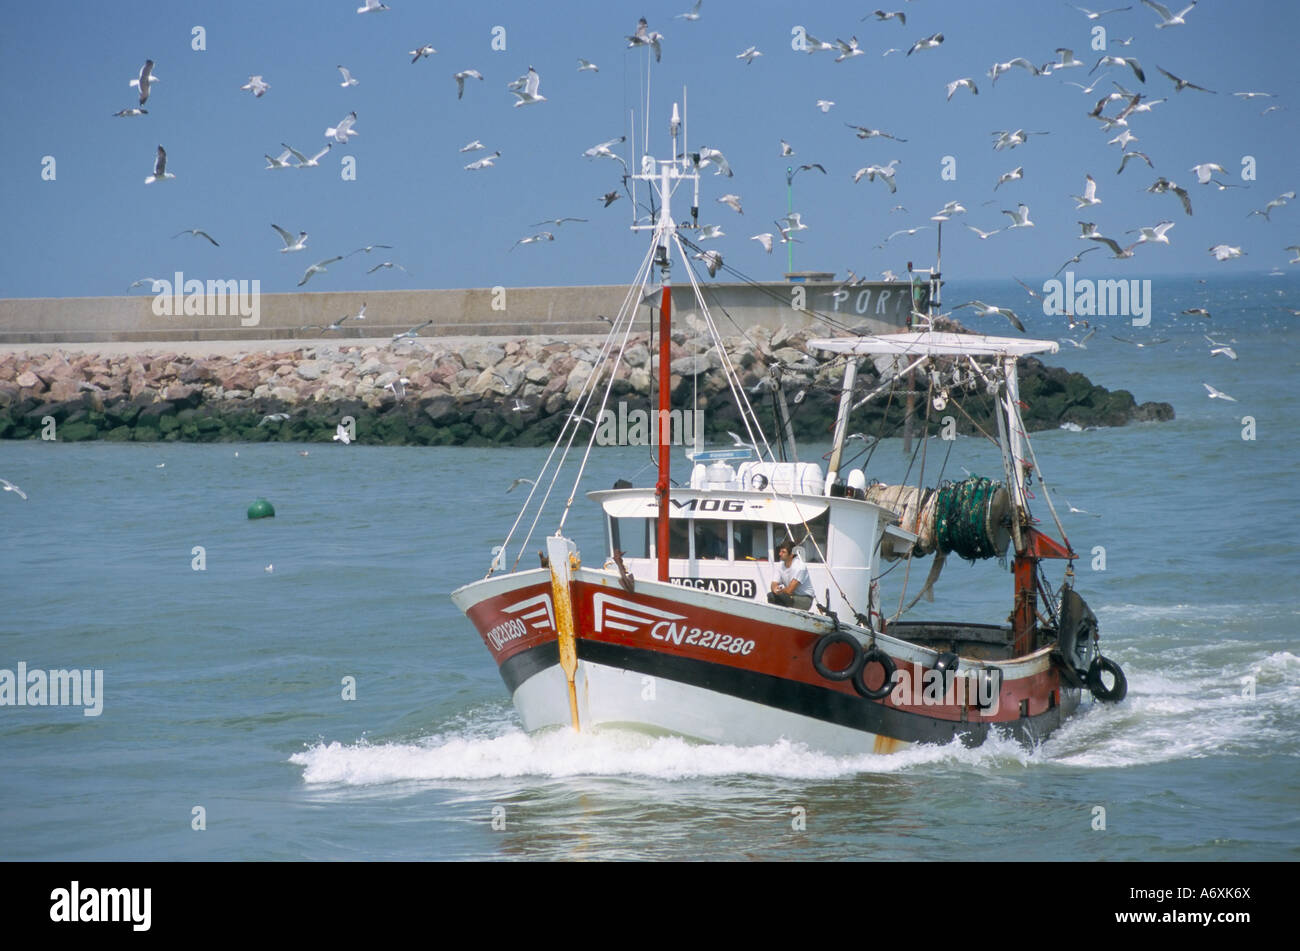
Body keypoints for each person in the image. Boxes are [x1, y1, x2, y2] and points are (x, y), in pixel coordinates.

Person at [768, 538, 814, 609]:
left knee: (784, 598)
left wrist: (779, 590)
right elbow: (774, 583)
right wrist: (775, 589)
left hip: (805, 598)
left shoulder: (800, 567)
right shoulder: (780, 565)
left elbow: (789, 590)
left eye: (783, 552)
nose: (780, 554)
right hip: (790, 596)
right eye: (780, 551)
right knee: (771, 596)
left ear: (792, 554)